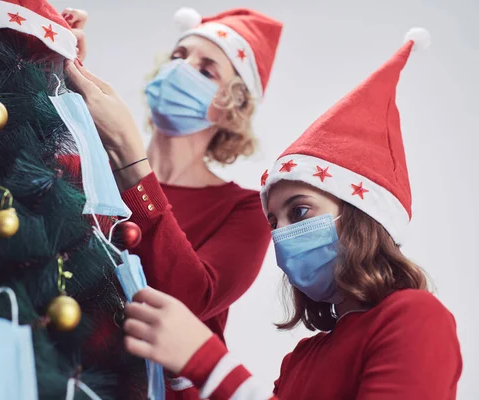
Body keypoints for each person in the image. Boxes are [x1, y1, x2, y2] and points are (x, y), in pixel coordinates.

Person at [120, 29, 463, 399]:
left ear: (361, 216)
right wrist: (183, 377)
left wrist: (207, 362)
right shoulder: (303, 357)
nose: (282, 235)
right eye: (273, 221)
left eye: (299, 210)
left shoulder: (413, 317)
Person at [61, 7, 283, 397]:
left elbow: (188, 301)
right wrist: (59, 69)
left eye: (206, 69)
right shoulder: (87, 172)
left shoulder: (245, 209)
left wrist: (131, 161)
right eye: (178, 57)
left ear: (233, 109)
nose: (180, 69)